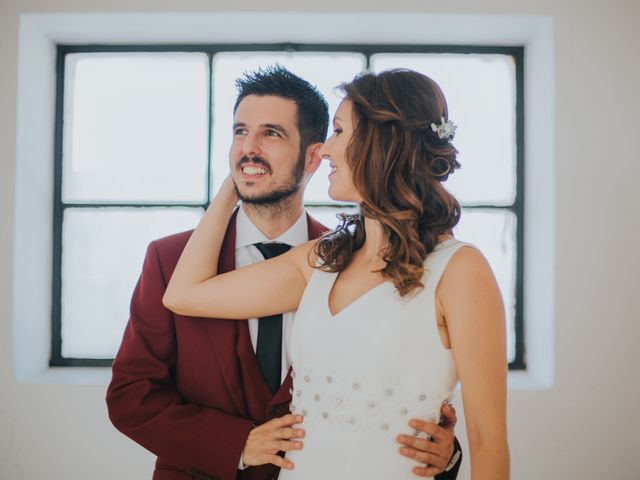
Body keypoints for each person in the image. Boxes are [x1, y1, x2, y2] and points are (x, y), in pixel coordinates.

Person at [107, 66, 462, 480]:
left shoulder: (358, 261)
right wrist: (236, 443)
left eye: (270, 134)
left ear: (315, 154)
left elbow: (384, 385)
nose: (248, 148)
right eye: (240, 132)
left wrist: (444, 452)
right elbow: (131, 395)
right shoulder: (169, 259)